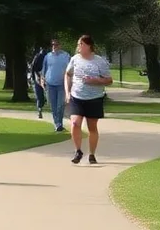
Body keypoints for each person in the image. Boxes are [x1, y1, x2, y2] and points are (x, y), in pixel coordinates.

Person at [64, 35, 112, 164]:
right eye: (78, 44)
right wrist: (68, 92)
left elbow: (109, 80)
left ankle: (92, 154)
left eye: (81, 44)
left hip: (94, 98)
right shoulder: (74, 59)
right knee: (74, 123)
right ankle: (78, 151)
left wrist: (96, 80)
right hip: (76, 97)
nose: (79, 47)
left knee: (92, 128)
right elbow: (67, 74)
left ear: (89, 46)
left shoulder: (99, 61)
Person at [40, 38, 72, 132]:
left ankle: (59, 123)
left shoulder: (66, 56)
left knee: (60, 105)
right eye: (53, 45)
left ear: (60, 45)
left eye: (56, 44)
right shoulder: (47, 56)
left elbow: (70, 70)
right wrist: (42, 81)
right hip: (50, 84)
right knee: (53, 106)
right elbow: (44, 70)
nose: (54, 46)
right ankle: (57, 124)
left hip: (62, 84)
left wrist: (70, 84)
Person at [29, 45, 47, 119]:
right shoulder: (45, 56)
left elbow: (33, 68)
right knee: (40, 96)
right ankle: (40, 109)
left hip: (40, 78)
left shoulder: (40, 56)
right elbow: (33, 68)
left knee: (40, 96)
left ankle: (40, 109)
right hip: (39, 78)